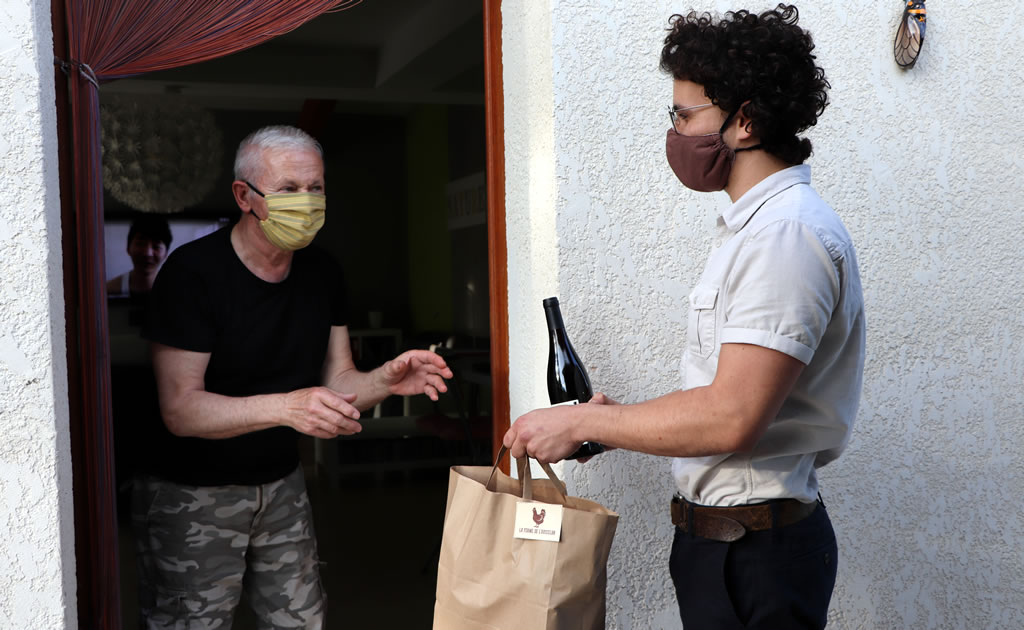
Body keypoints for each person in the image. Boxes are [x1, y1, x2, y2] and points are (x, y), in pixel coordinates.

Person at [503, 6, 865, 629]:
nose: (675, 132)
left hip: (754, 556)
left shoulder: (785, 237)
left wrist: (588, 420)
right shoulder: (757, 230)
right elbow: (723, 397)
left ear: (744, 121)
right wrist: (611, 424)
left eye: (684, 115)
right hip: (729, 546)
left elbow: (732, 416)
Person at [135, 125, 453, 629]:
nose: (306, 202)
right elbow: (181, 409)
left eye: (315, 188)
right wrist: (287, 407)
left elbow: (338, 382)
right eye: (288, 189)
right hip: (193, 490)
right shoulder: (192, 274)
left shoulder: (322, 272)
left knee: (301, 621)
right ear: (244, 196)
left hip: (281, 484)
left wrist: (384, 382)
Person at [106, 214, 172, 297]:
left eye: (156, 246)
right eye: (140, 244)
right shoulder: (108, 291)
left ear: (166, 253)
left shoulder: (175, 291)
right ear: (128, 248)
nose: (148, 253)